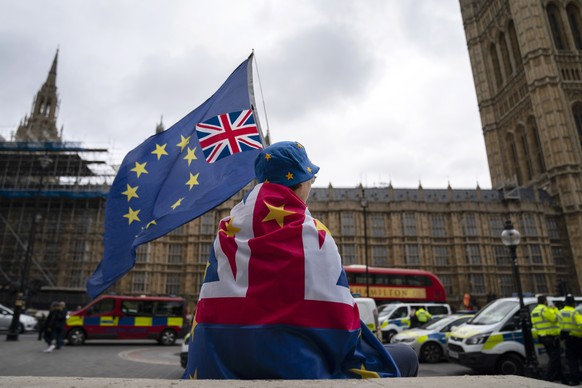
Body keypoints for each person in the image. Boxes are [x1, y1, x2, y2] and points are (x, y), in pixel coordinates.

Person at [183, 141, 418, 379]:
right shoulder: (312, 234)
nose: (311, 187)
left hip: (218, 365)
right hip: (298, 367)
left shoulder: (226, 230)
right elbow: (340, 327)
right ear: (300, 182)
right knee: (405, 355)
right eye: (311, 180)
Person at [531, 294, 563, 383]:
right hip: (551, 337)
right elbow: (556, 319)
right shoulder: (545, 309)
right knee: (554, 359)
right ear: (545, 301)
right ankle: (546, 379)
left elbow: (535, 325)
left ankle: (563, 379)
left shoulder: (534, 311)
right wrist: (554, 308)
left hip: (543, 337)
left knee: (555, 359)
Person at [559, 294, 581, 386]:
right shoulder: (575, 312)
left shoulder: (560, 312)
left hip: (567, 340)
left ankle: (575, 380)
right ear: (573, 303)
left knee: (572, 361)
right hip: (578, 339)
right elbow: (580, 324)